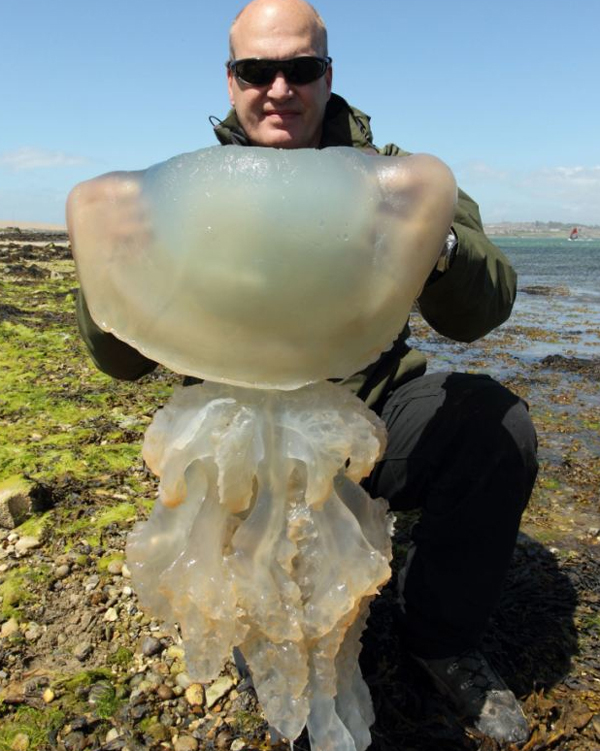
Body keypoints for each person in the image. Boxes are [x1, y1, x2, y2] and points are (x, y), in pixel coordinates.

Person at [70, 0, 538, 744]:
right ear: (231, 81)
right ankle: (263, 625)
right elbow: (120, 361)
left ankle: (441, 637)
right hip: (240, 446)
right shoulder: (187, 199)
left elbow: (486, 308)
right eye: (258, 70)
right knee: (281, 646)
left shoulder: (393, 180)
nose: (279, 88)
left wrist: (438, 243)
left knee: (495, 427)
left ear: (328, 75)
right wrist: (111, 272)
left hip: (371, 421)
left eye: (301, 68)